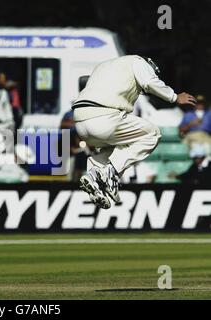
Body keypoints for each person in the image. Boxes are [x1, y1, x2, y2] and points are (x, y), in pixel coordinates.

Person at [73, 55, 196, 209]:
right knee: (152, 133)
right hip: (104, 117)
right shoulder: (138, 62)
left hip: (80, 123)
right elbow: (149, 82)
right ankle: (111, 172)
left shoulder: (103, 66)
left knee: (117, 145)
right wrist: (174, 97)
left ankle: (95, 174)